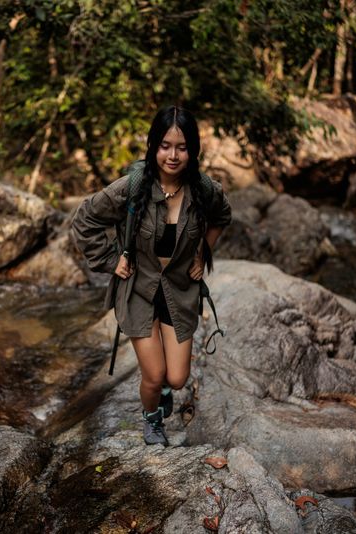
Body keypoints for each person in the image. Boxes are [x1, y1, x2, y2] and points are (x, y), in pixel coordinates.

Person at [71, 105, 231, 446]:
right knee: (155, 375)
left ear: (193, 150)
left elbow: (222, 216)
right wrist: (111, 259)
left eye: (182, 147)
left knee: (177, 377)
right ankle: (152, 420)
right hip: (138, 290)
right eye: (165, 146)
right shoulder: (134, 186)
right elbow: (84, 220)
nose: (172, 155)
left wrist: (203, 251)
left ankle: (163, 395)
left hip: (179, 290)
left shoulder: (203, 190)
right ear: (153, 146)